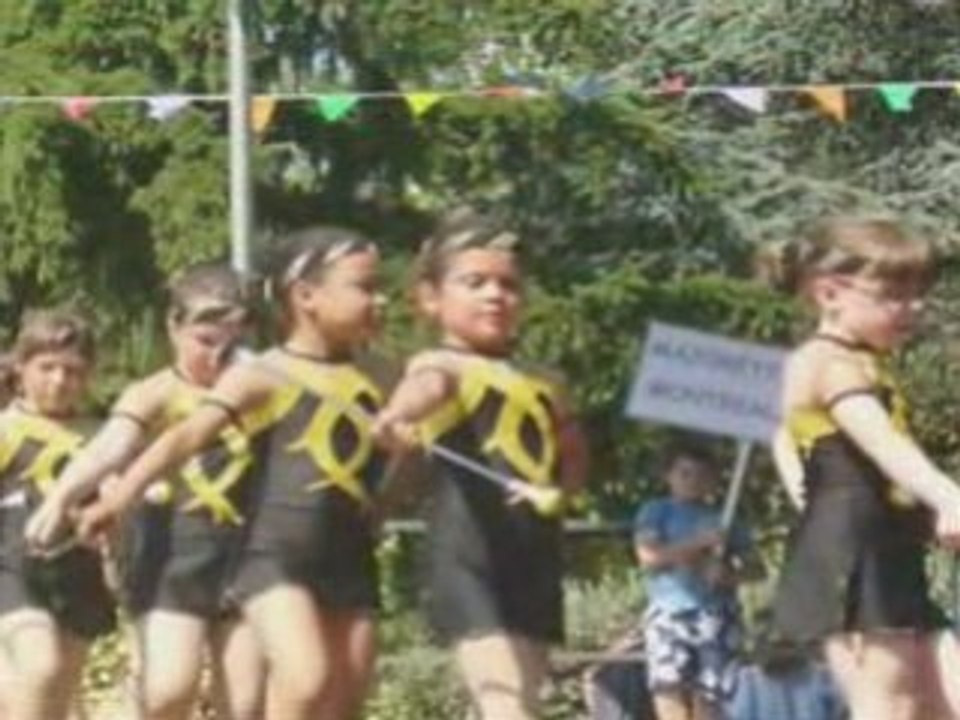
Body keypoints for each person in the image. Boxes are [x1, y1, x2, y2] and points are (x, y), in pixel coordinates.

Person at [76, 227, 388, 720]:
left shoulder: (380, 376)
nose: (380, 299)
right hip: (269, 555)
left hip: (344, 554)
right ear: (304, 296)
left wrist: (400, 468)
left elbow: (403, 470)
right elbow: (184, 438)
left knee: (331, 701)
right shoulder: (264, 373)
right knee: (300, 682)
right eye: (363, 287)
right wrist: (117, 499)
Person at [373, 208, 589, 720]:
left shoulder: (545, 380)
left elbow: (574, 449)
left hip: (532, 552)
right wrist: (395, 419)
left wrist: (566, 491)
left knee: (525, 704)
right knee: (503, 701)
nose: (495, 295)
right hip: (468, 550)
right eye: (475, 283)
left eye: (508, 284)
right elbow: (423, 391)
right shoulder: (441, 364)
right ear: (431, 298)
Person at [25, 262, 265, 720]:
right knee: (168, 691)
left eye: (233, 343)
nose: (218, 356)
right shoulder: (153, 393)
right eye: (205, 342)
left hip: (248, 554)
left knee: (246, 703)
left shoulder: (261, 387)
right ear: (173, 327)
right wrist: (61, 498)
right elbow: (108, 448)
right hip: (171, 554)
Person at [768, 216, 960, 720]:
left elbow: (782, 437)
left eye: (918, 293)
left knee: (945, 696)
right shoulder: (827, 362)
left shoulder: (865, 362)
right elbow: (881, 443)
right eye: (892, 295)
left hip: (886, 545)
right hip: (853, 555)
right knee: (889, 702)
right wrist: (946, 494)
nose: (912, 308)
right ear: (830, 293)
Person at [0, 309, 115, 719]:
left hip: (77, 575)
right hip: (12, 570)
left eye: (73, 371)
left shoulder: (102, 435)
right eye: (46, 367)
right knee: (38, 665)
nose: (59, 381)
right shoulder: (6, 429)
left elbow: (117, 503)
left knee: (56, 700)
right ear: (20, 366)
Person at [634, 440, 760, 720]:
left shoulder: (726, 518)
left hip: (716, 613)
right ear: (669, 476)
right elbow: (649, 557)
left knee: (713, 694)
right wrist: (698, 545)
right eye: (685, 473)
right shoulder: (656, 511)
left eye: (701, 475)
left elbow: (756, 569)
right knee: (668, 686)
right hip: (669, 611)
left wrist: (729, 576)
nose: (693, 482)